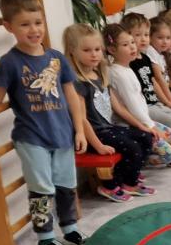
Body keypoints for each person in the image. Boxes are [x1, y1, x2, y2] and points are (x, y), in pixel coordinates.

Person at [0, 0, 87, 245]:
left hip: (62, 135)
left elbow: (72, 96)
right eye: (25, 24)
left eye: (38, 23)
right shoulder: (10, 62)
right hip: (32, 137)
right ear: (9, 27)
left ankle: (70, 229)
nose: (34, 30)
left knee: (66, 184)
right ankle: (46, 240)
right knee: (42, 188)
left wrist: (79, 130)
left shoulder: (56, 58)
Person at [62, 23, 154, 203]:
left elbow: (118, 107)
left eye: (97, 49)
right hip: (93, 136)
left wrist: (141, 125)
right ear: (72, 51)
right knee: (132, 148)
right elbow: (81, 119)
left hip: (108, 129)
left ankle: (128, 178)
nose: (94, 54)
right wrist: (98, 147)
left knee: (145, 137)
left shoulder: (100, 74)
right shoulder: (77, 82)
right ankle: (111, 185)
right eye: (87, 50)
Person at [102, 24, 171, 170]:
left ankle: (148, 148)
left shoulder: (127, 68)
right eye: (125, 45)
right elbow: (132, 106)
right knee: (170, 155)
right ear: (112, 50)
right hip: (132, 125)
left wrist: (151, 124)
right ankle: (142, 158)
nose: (132, 47)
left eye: (132, 42)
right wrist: (149, 127)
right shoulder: (117, 73)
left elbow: (139, 100)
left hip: (145, 121)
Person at [122, 13, 171, 141]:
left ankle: (167, 140)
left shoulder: (145, 58)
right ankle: (159, 143)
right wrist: (169, 101)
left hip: (155, 102)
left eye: (146, 35)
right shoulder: (129, 62)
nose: (143, 39)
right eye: (138, 35)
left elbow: (153, 82)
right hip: (144, 106)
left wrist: (168, 102)